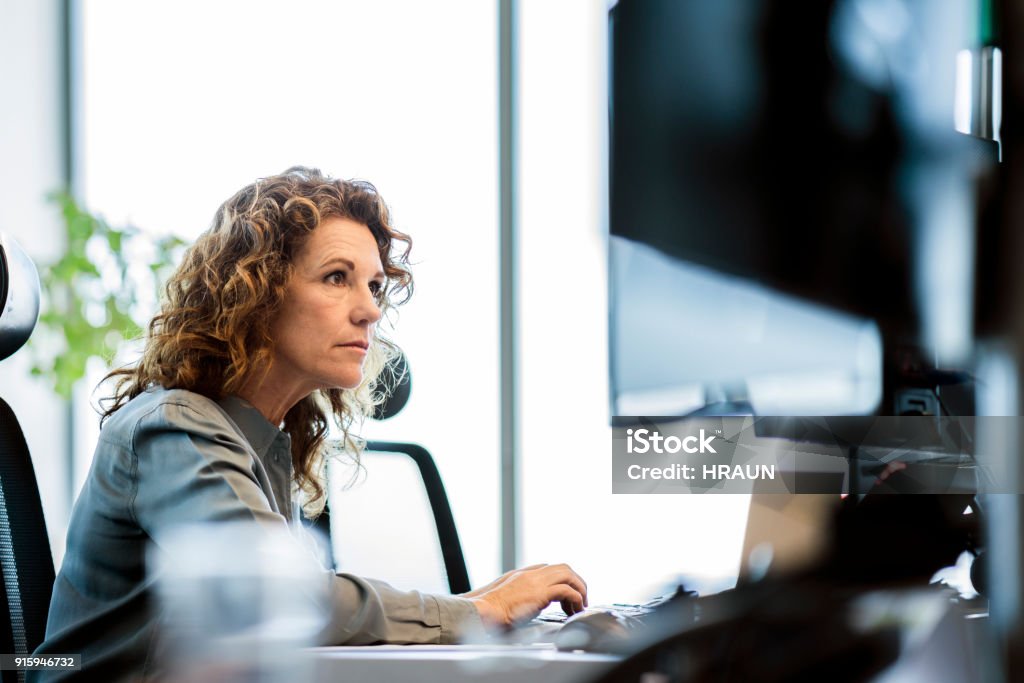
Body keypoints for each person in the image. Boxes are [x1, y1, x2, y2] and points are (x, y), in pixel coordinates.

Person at [32, 167, 587, 681]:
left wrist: (474, 606)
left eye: (373, 286)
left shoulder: (262, 437)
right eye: (336, 277)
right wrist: (475, 612)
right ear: (256, 294)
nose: (370, 309)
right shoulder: (175, 426)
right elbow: (282, 596)